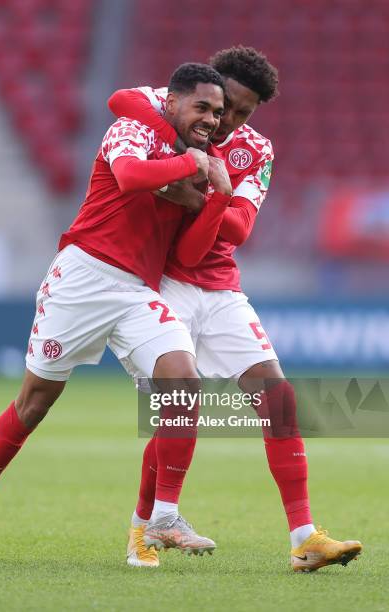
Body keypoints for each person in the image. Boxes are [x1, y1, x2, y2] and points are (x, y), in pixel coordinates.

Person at [0, 63, 234, 560]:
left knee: (184, 384)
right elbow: (128, 176)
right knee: (34, 404)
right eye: (202, 107)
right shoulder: (134, 129)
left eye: (216, 112)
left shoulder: (202, 162)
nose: (210, 119)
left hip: (139, 293)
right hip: (83, 278)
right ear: (171, 102)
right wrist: (188, 169)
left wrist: (213, 198)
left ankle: (162, 518)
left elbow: (189, 245)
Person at [108, 46, 362, 572]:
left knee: (280, 399)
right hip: (162, 284)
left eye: (245, 112)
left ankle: (304, 537)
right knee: (177, 408)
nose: (230, 121)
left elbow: (241, 228)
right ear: (209, 94)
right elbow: (119, 99)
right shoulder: (171, 113)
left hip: (220, 289)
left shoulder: (255, 150)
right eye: (226, 108)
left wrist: (192, 194)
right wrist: (195, 180)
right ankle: (146, 529)